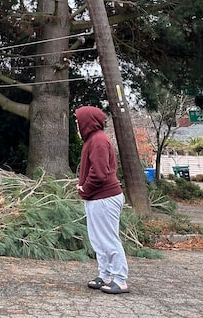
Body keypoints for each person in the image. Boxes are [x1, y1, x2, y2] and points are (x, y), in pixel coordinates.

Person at [75, 105, 130, 294]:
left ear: (87, 121)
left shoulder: (98, 141)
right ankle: (105, 276)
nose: (76, 123)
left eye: (78, 120)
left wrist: (84, 189)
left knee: (108, 239)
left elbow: (99, 173)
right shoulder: (93, 140)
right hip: (98, 198)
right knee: (98, 240)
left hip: (105, 198)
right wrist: (86, 190)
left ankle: (120, 279)